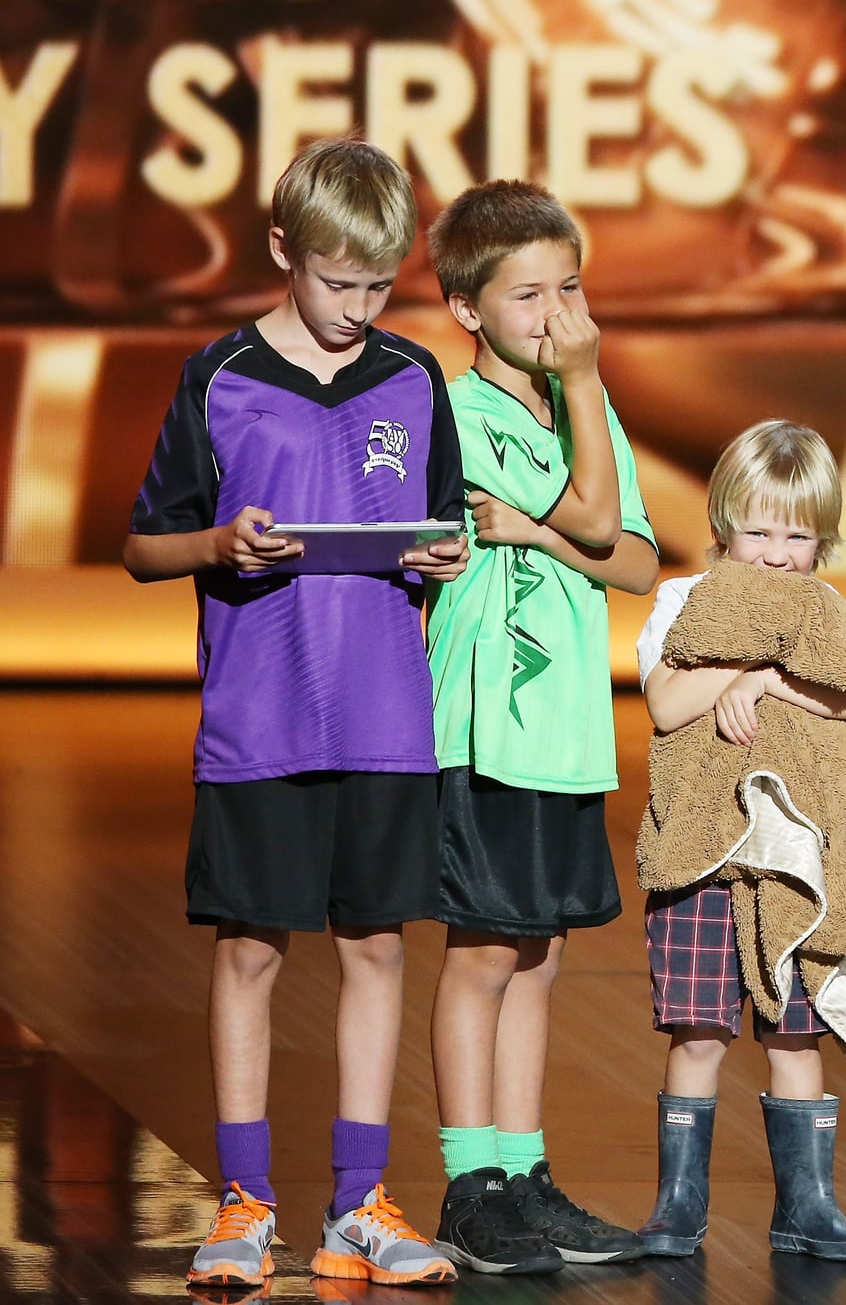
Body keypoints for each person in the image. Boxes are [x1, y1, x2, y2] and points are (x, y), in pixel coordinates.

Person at [124, 137, 467, 1290]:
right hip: (258, 721)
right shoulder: (219, 375)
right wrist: (217, 546)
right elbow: (141, 545)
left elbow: (435, 534)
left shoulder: (413, 379)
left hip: (382, 720)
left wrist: (440, 558)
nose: (359, 308)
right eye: (337, 283)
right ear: (283, 251)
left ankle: (359, 1204)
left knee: (375, 948)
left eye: (379, 286)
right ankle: (243, 1203)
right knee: (251, 952)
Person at [422, 179, 660, 1274]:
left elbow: (639, 562)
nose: (557, 314)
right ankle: (471, 1184)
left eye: (570, 288)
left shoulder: (581, 408)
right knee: (483, 948)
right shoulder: (452, 410)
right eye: (528, 295)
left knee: (542, 950)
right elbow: (603, 521)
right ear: (468, 309)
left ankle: (525, 1174)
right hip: (485, 723)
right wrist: (586, 384)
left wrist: (541, 529)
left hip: (565, 729)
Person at [633, 421, 846, 1262]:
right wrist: (741, 672)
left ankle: (807, 1204)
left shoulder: (828, 610)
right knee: (699, 1030)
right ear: (721, 523)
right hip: (706, 853)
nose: (777, 554)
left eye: (798, 535)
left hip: (792, 857)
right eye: (759, 530)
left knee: (794, 1031)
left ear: (822, 539)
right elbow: (669, 705)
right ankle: (679, 1201)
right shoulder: (684, 600)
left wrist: (771, 678)